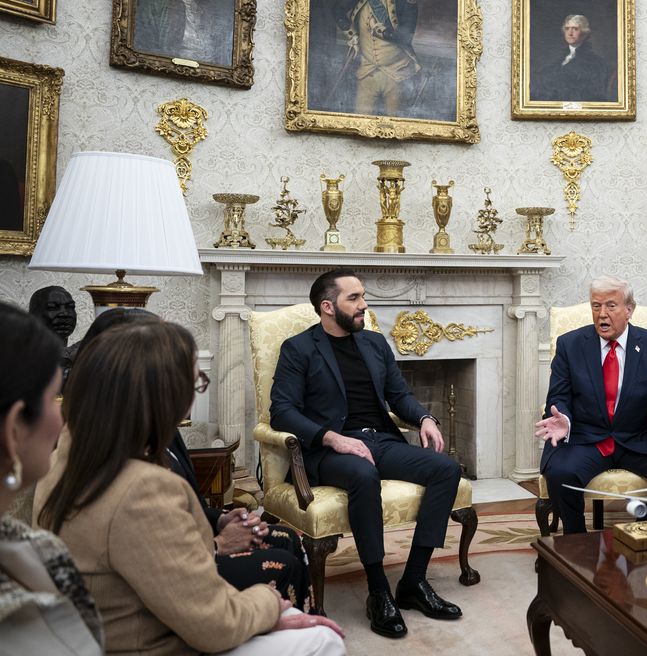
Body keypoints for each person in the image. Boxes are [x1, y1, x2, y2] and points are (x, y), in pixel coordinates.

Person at [35, 320, 345, 656]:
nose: (195, 393)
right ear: (163, 394)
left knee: (285, 547)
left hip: (95, 628)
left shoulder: (72, 446)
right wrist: (271, 604)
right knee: (324, 640)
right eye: (196, 381)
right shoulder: (143, 488)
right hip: (142, 642)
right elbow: (214, 624)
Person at [64, 308, 313, 610]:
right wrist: (220, 544)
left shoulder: (159, 425)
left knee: (287, 538)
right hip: (169, 579)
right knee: (282, 564)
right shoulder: (115, 457)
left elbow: (187, 505)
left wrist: (221, 518)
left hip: (189, 544)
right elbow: (151, 561)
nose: (191, 394)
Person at [271, 268, 463, 638]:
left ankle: (414, 582)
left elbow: (398, 395)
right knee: (362, 473)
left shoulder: (374, 344)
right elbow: (282, 410)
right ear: (328, 307)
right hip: (331, 450)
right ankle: (378, 591)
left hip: (380, 441)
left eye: (363, 296)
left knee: (445, 468)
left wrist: (423, 417)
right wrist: (331, 438)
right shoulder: (297, 349)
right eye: (354, 298)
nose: (364, 305)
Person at [537, 276, 647, 535]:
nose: (602, 314)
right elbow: (559, 397)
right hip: (587, 438)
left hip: (639, 436)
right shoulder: (570, 345)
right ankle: (576, 543)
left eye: (611, 306)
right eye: (596, 306)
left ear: (629, 310)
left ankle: (642, 535)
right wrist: (563, 420)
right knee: (560, 472)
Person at [0, 303, 103, 655]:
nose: (61, 420)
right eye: (52, 399)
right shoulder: (19, 613)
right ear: (15, 428)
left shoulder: (33, 547)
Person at [333, 0, 421, 117]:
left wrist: (379, 29)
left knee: (395, 125)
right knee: (360, 121)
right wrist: (352, 35)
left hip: (397, 73)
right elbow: (337, 9)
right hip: (366, 72)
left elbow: (405, 36)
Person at [531, 14, 613, 103]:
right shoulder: (560, 59)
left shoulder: (596, 63)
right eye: (567, 29)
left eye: (575, 29)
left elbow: (593, 94)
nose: (570, 33)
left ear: (584, 33)